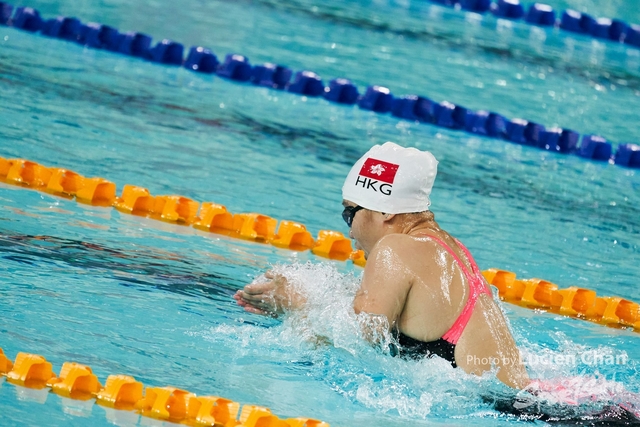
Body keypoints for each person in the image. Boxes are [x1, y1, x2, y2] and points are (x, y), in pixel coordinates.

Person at [234, 141, 530, 390]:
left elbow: (354, 343)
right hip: (527, 405)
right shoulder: (449, 249)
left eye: (350, 214)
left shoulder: (395, 249)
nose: (350, 232)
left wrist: (295, 305)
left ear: (386, 210)